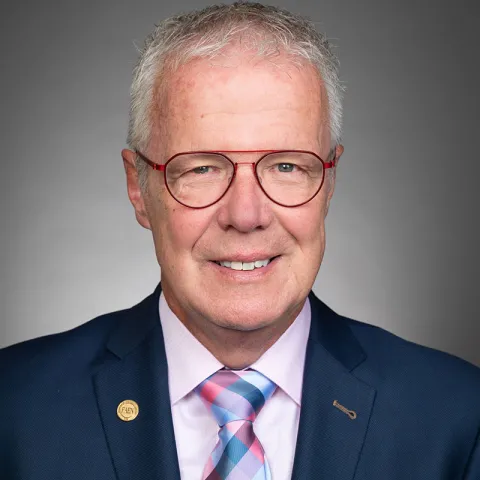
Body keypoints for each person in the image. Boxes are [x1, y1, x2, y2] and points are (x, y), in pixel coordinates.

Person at [1, 2, 479, 479]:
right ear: (138, 188)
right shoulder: (15, 411)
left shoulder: (457, 418)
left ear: (329, 184)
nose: (246, 215)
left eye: (287, 166)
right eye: (203, 168)